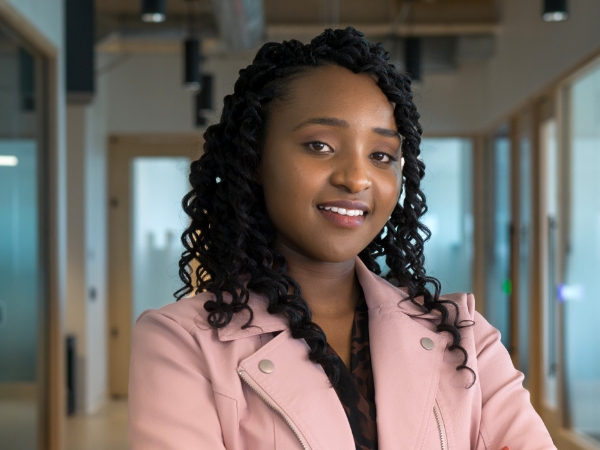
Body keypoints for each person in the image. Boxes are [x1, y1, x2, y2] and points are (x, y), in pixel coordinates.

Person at [128, 27, 556, 450]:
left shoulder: (465, 338)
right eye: (319, 145)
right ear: (254, 160)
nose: (356, 178)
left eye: (381, 156)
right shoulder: (181, 343)